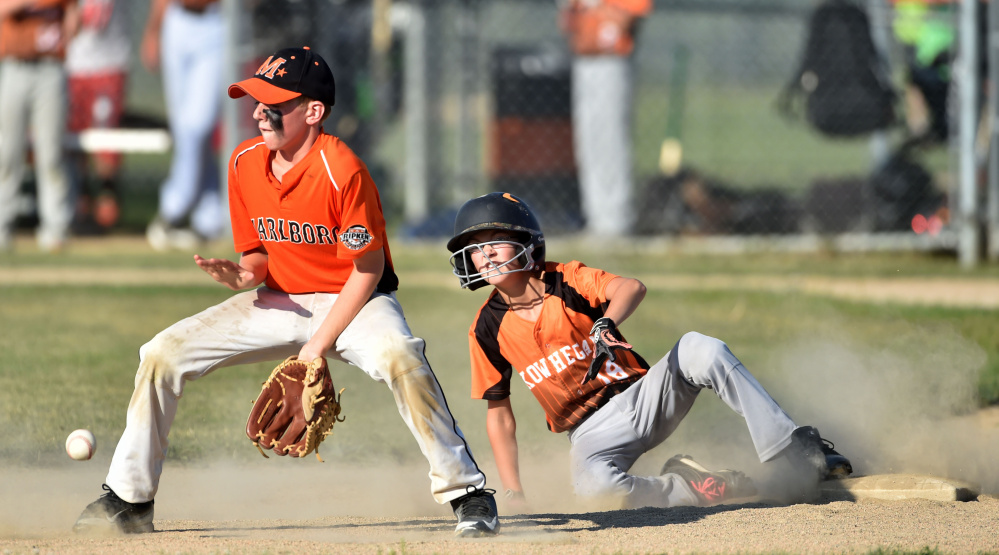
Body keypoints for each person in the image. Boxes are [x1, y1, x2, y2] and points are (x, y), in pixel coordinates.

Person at [72, 46, 500, 538]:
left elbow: (368, 269)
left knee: (401, 357)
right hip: (282, 298)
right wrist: (243, 275)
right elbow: (258, 254)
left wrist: (315, 349)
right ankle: (129, 499)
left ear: (313, 112)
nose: (258, 112)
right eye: (255, 100)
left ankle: (467, 492)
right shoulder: (245, 164)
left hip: (354, 300)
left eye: (273, 103)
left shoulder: (343, 171)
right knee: (162, 355)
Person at [445, 192, 853, 509]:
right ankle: (690, 486)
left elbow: (630, 287)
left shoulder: (566, 279)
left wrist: (606, 321)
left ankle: (797, 448)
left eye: (493, 243)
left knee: (700, 348)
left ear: (527, 244)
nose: (483, 256)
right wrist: (514, 491)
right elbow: (498, 414)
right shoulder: (486, 327)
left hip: (645, 396)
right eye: (475, 249)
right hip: (589, 433)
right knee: (596, 492)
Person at [558, 0, 650, 238]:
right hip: (585, 59)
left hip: (610, 60)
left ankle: (615, 219)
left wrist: (598, 9)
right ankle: (597, 218)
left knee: (610, 139)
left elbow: (626, 16)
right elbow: (568, 23)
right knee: (589, 141)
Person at [141, 0, 225, 250]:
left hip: (216, 20)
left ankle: (173, 210)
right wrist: (154, 30)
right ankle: (208, 217)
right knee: (184, 128)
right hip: (178, 19)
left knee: (197, 124)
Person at [0, 0, 78, 252]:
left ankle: (54, 228)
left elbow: (73, 15)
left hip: (50, 67)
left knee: (51, 154)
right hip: (14, 65)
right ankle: (3, 225)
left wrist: (70, 28)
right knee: (7, 153)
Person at [66, 0, 130, 232]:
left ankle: (107, 196)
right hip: (73, 65)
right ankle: (79, 199)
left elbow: (97, 16)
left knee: (105, 138)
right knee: (75, 136)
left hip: (109, 64)